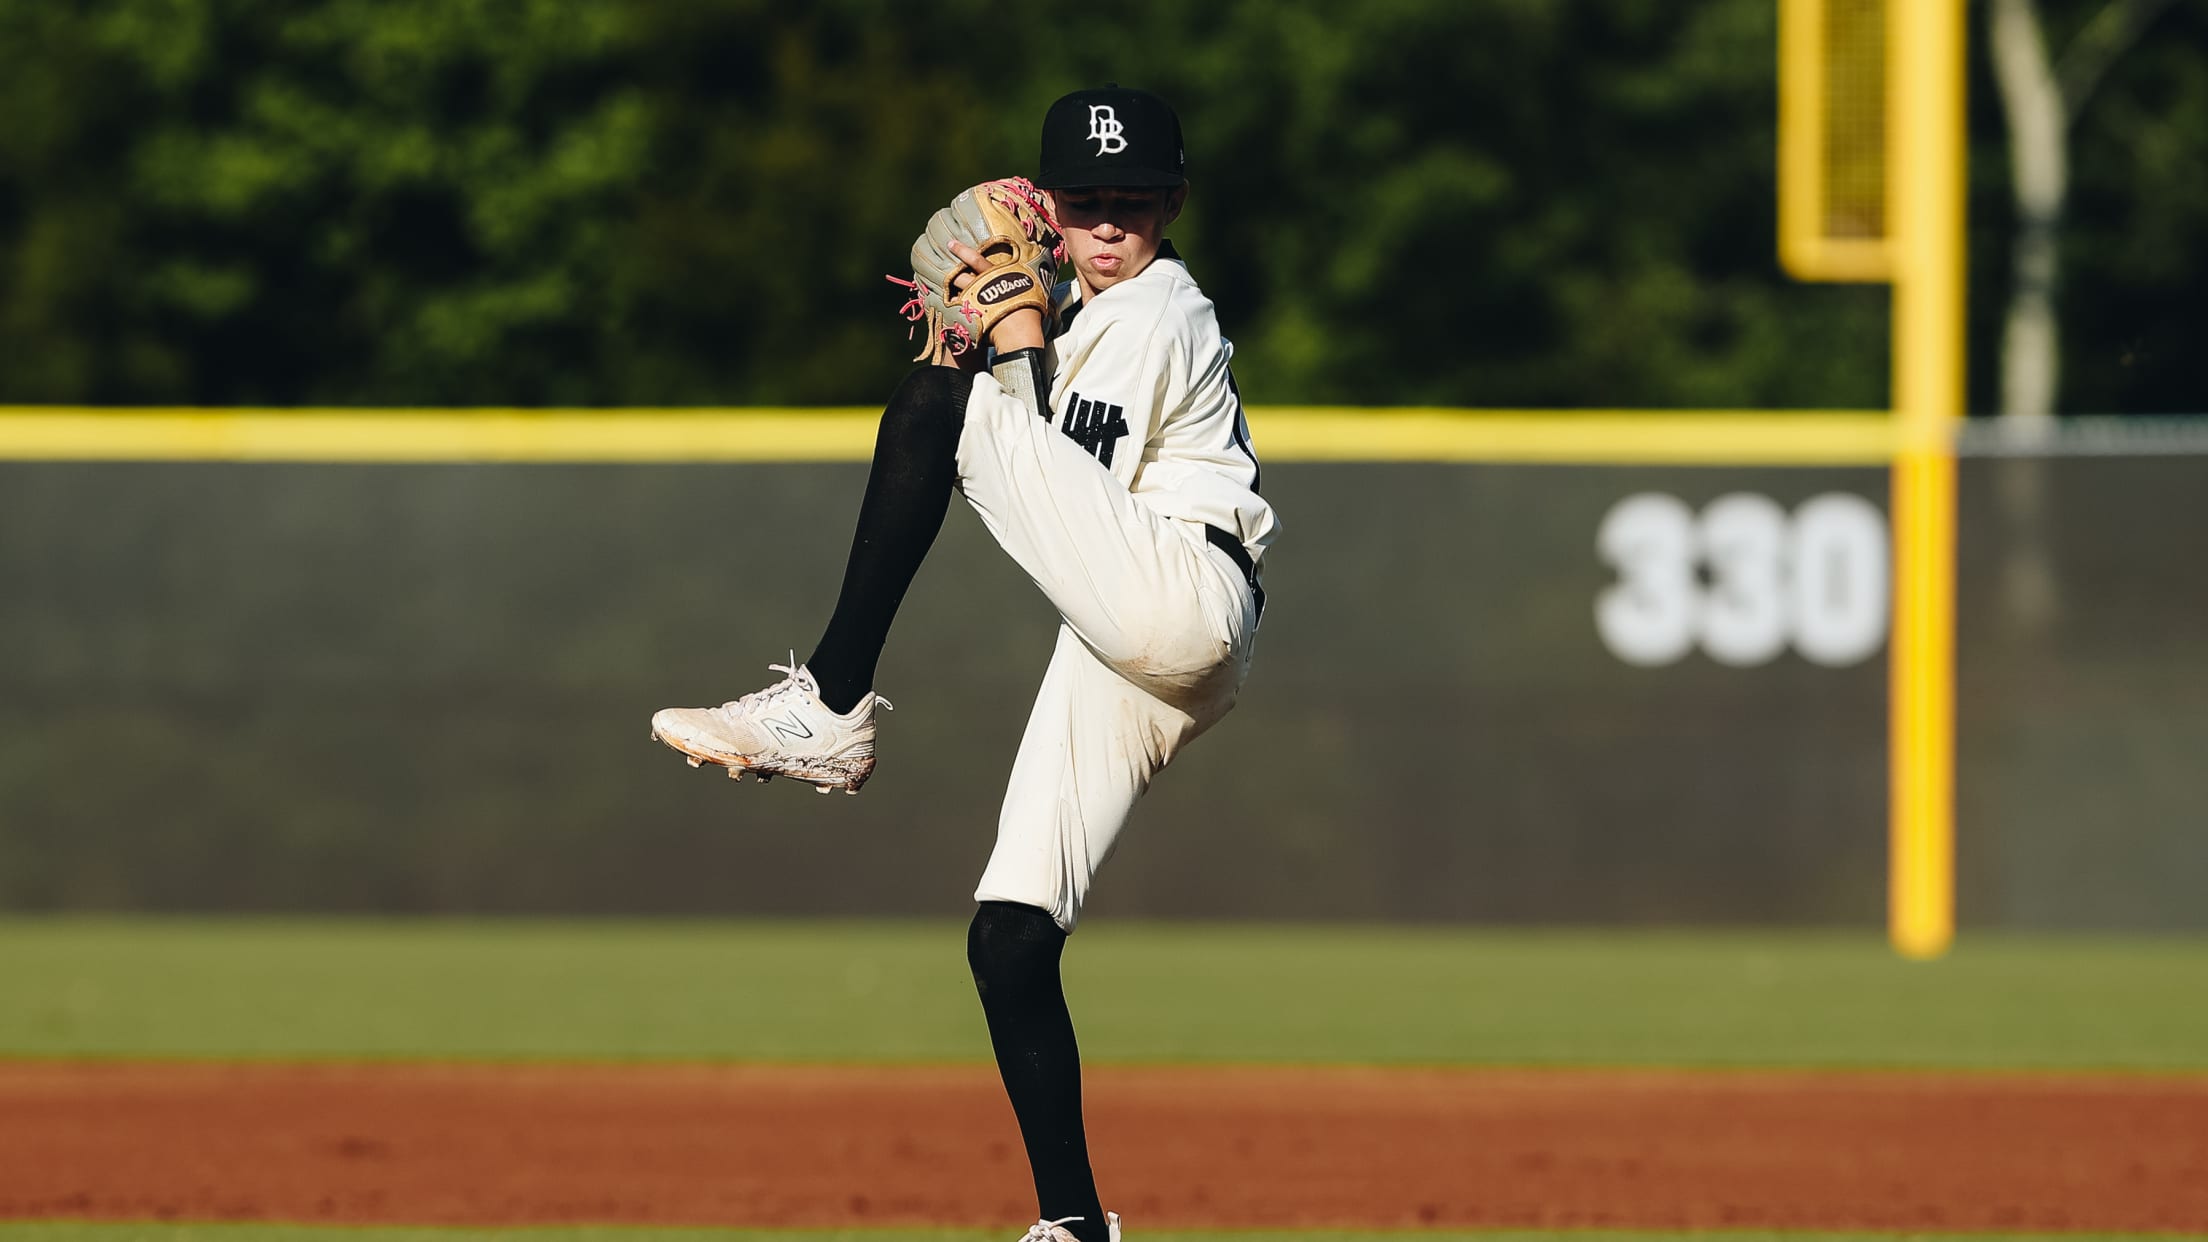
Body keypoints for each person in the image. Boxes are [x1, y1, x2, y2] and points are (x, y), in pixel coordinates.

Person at [650, 85, 1275, 1242]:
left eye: (1132, 200)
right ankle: (1073, 1223)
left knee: (936, 400)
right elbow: (1045, 471)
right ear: (1054, 205)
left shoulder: (1156, 311)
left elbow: (1043, 448)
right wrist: (1019, 341)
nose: (1107, 224)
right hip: (1132, 630)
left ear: (1172, 203)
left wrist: (1002, 347)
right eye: (1086, 200)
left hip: (1182, 591)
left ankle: (831, 703)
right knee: (1011, 935)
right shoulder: (1088, 315)